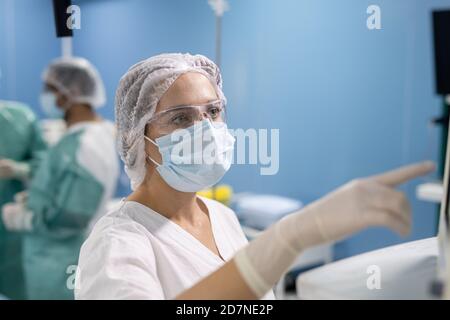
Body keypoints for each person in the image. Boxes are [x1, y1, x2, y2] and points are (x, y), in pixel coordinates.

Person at [75, 53, 434, 300]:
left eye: (213, 111)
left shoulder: (222, 217)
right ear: (138, 137)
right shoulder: (117, 242)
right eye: (181, 118)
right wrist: (286, 238)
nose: (206, 129)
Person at [1, 57, 119, 300]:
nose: (46, 97)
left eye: (50, 90)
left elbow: (73, 216)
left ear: (67, 94)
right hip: (59, 257)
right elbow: (70, 191)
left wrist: (26, 218)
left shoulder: (87, 143)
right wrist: (36, 198)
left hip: (63, 260)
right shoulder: (83, 138)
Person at [0, 100, 47, 299]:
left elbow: (44, 163)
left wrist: (17, 169)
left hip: (9, 228)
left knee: (14, 286)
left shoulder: (20, 118)